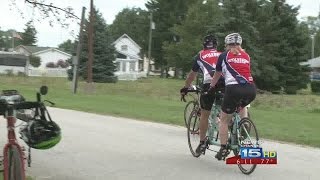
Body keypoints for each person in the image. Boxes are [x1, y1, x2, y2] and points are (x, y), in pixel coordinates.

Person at [209, 33, 256, 160]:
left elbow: (218, 74)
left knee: (224, 119)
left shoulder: (223, 56)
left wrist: (211, 86)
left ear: (226, 45)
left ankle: (223, 148)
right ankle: (243, 125)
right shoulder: (247, 56)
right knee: (239, 107)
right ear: (240, 44)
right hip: (251, 90)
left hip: (233, 89)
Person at [180, 34, 225, 155]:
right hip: (225, 84)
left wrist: (186, 87)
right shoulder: (222, 54)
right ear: (216, 45)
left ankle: (202, 143)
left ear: (204, 46)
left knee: (205, 114)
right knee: (226, 112)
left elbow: (192, 75)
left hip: (209, 84)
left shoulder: (201, 55)